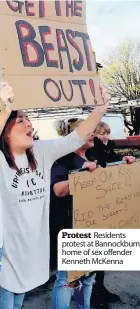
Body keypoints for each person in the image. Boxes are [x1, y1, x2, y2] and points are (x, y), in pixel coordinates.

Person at [0, 81, 111, 309]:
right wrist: (6, 109)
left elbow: (74, 139)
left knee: (17, 302)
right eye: (20, 120)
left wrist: (100, 110)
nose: (29, 123)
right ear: (5, 132)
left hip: (30, 253)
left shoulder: (40, 152)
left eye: (28, 119)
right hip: (1, 255)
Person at [50, 119, 135, 309]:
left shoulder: (93, 154)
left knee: (88, 277)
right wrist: (83, 176)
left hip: (95, 223)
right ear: (75, 136)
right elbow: (58, 190)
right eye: (88, 131)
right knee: (67, 279)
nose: (93, 134)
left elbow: (110, 174)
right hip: (71, 225)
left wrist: (125, 165)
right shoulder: (63, 158)